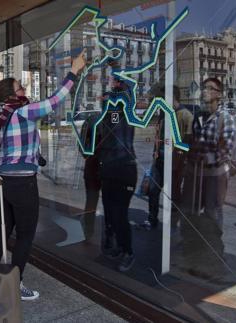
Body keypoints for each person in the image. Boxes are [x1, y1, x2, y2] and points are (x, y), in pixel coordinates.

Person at [0, 50, 87, 300]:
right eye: (20, 89)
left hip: (1, 181)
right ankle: (14, 284)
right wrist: (73, 72)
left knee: (2, 231)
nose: (24, 91)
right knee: (26, 234)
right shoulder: (21, 112)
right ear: (10, 95)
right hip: (22, 182)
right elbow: (54, 101)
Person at [181, 77, 236, 279]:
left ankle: (215, 264)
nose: (204, 92)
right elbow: (193, 146)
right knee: (196, 217)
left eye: (209, 88)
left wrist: (201, 157)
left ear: (218, 94)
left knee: (213, 218)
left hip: (215, 176)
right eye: (203, 88)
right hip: (197, 176)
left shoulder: (225, 118)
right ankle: (199, 259)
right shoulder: (199, 118)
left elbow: (225, 151)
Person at [96, 78, 138, 272]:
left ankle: (128, 251)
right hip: (110, 168)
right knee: (111, 213)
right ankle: (121, 247)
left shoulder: (122, 114)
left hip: (124, 168)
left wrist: (115, 92)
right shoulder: (109, 116)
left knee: (120, 213)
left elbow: (125, 97)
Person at [142, 85, 193, 230]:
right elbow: (159, 136)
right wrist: (154, 153)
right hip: (160, 160)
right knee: (153, 190)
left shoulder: (186, 115)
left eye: (164, 97)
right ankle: (152, 220)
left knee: (174, 195)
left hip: (176, 163)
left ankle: (173, 226)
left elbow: (189, 142)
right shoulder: (164, 114)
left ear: (173, 97)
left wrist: (183, 161)